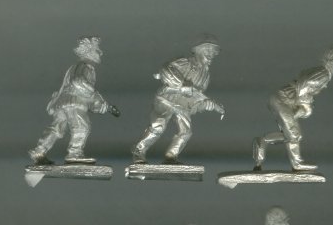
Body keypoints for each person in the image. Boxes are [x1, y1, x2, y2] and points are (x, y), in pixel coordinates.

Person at [132, 36, 225, 164]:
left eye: (214, 52)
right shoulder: (185, 62)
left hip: (182, 106)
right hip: (166, 99)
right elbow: (166, 69)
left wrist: (206, 104)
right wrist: (181, 85)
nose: (211, 54)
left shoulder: (205, 76)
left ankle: (171, 157)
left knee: (186, 132)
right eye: (207, 50)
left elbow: (195, 100)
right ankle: (138, 151)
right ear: (197, 50)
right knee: (158, 125)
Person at [253, 47, 333, 171]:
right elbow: (304, 87)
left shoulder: (319, 70)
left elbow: (303, 78)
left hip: (283, 100)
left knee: (289, 135)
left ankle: (263, 141)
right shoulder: (324, 74)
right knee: (294, 135)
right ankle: (297, 164)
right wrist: (306, 104)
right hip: (283, 100)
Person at [29, 36, 119, 165]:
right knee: (82, 126)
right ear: (88, 52)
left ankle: (39, 151)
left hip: (64, 102)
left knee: (57, 128)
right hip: (74, 102)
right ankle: (74, 153)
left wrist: (101, 106)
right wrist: (95, 96)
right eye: (97, 50)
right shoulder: (85, 66)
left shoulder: (75, 67)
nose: (101, 52)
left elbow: (81, 90)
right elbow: (78, 82)